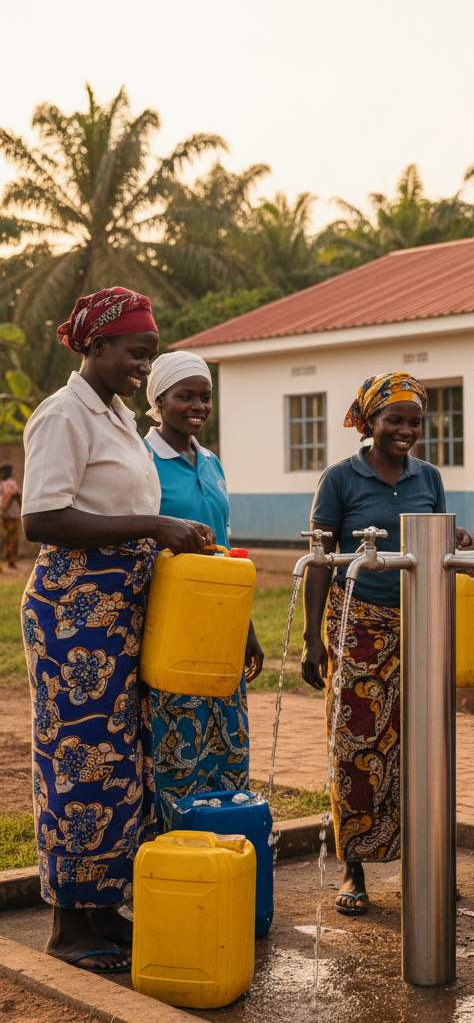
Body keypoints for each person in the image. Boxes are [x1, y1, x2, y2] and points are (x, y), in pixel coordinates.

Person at [21, 288, 215, 974]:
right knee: (79, 761)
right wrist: (154, 527)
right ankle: (67, 925)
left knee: (124, 760)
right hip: (75, 612)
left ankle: (106, 908)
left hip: (121, 609)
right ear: (96, 347)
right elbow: (41, 519)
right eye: (137, 352)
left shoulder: (117, 415)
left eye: (150, 353)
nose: (144, 364)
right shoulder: (63, 415)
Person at [300, 373, 471, 916]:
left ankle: (430, 865)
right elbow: (321, 563)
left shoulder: (429, 478)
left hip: (421, 620)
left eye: (414, 421)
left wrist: (460, 538)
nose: (405, 430)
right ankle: (354, 870)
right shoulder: (340, 480)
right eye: (393, 419)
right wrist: (311, 639)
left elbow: (439, 541)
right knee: (357, 747)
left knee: (424, 745)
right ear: (369, 421)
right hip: (356, 627)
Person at [143, 351, 264, 827]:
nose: (197, 405)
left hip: (221, 619)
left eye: (205, 396)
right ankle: (172, 846)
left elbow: (226, 549)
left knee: (227, 736)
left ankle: (224, 835)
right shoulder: (143, 459)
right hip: (171, 622)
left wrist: (244, 625)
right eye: (185, 395)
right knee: (175, 740)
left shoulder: (210, 461)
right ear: (158, 400)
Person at [0, 463, 21, 567]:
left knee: (9, 537)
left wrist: (2, 508)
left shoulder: (10, 483)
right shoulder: (8, 483)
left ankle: (10, 560)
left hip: (9, 515)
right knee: (10, 537)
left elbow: (8, 497)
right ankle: (10, 560)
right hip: (8, 515)